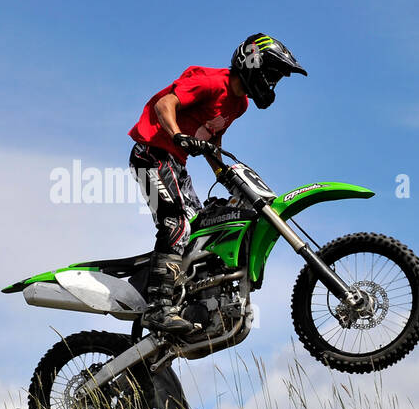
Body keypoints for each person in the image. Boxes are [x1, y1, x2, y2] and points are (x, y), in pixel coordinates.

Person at [127, 33, 308, 334]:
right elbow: (164, 103)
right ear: (252, 62)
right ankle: (159, 308)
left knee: (201, 226)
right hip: (151, 153)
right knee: (175, 222)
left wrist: (223, 174)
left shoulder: (240, 105)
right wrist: (176, 135)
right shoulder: (211, 82)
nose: (273, 83)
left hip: (176, 163)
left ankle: (182, 295)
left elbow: (213, 136)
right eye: (272, 74)